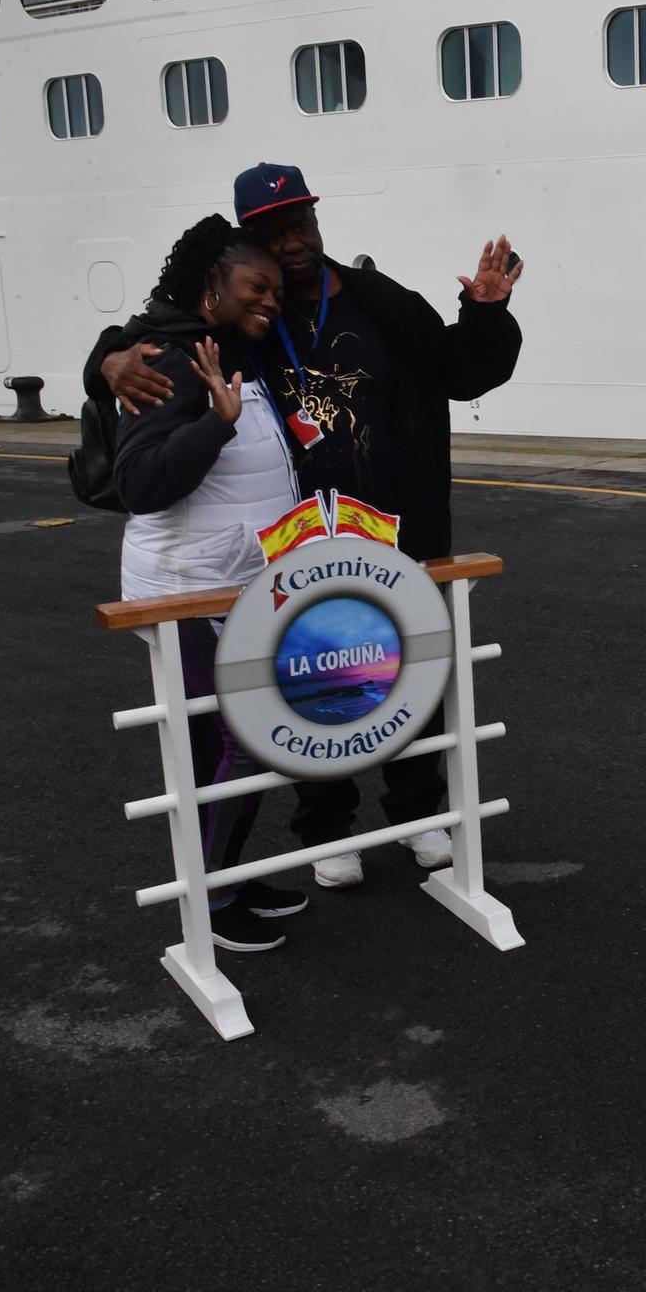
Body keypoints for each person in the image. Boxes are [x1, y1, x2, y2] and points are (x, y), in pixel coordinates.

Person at [90, 163, 524, 888]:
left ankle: (420, 817)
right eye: (272, 233)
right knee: (317, 685)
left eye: (301, 224)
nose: (291, 244)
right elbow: (152, 334)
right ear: (248, 244)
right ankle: (326, 827)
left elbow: (460, 371)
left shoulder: (379, 302)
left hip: (399, 533)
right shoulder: (245, 318)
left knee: (411, 677)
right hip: (299, 547)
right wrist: (104, 362)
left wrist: (483, 313)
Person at [110, 214, 308, 951]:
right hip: (185, 591)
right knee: (235, 741)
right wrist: (215, 426)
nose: (271, 301)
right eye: (258, 286)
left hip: (237, 587)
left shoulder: (229, 351)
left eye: (278, 292)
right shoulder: (161, 356)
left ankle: (225, 873)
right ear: (210, 284)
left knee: (242, 744)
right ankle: (210, 900)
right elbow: (140, 482)